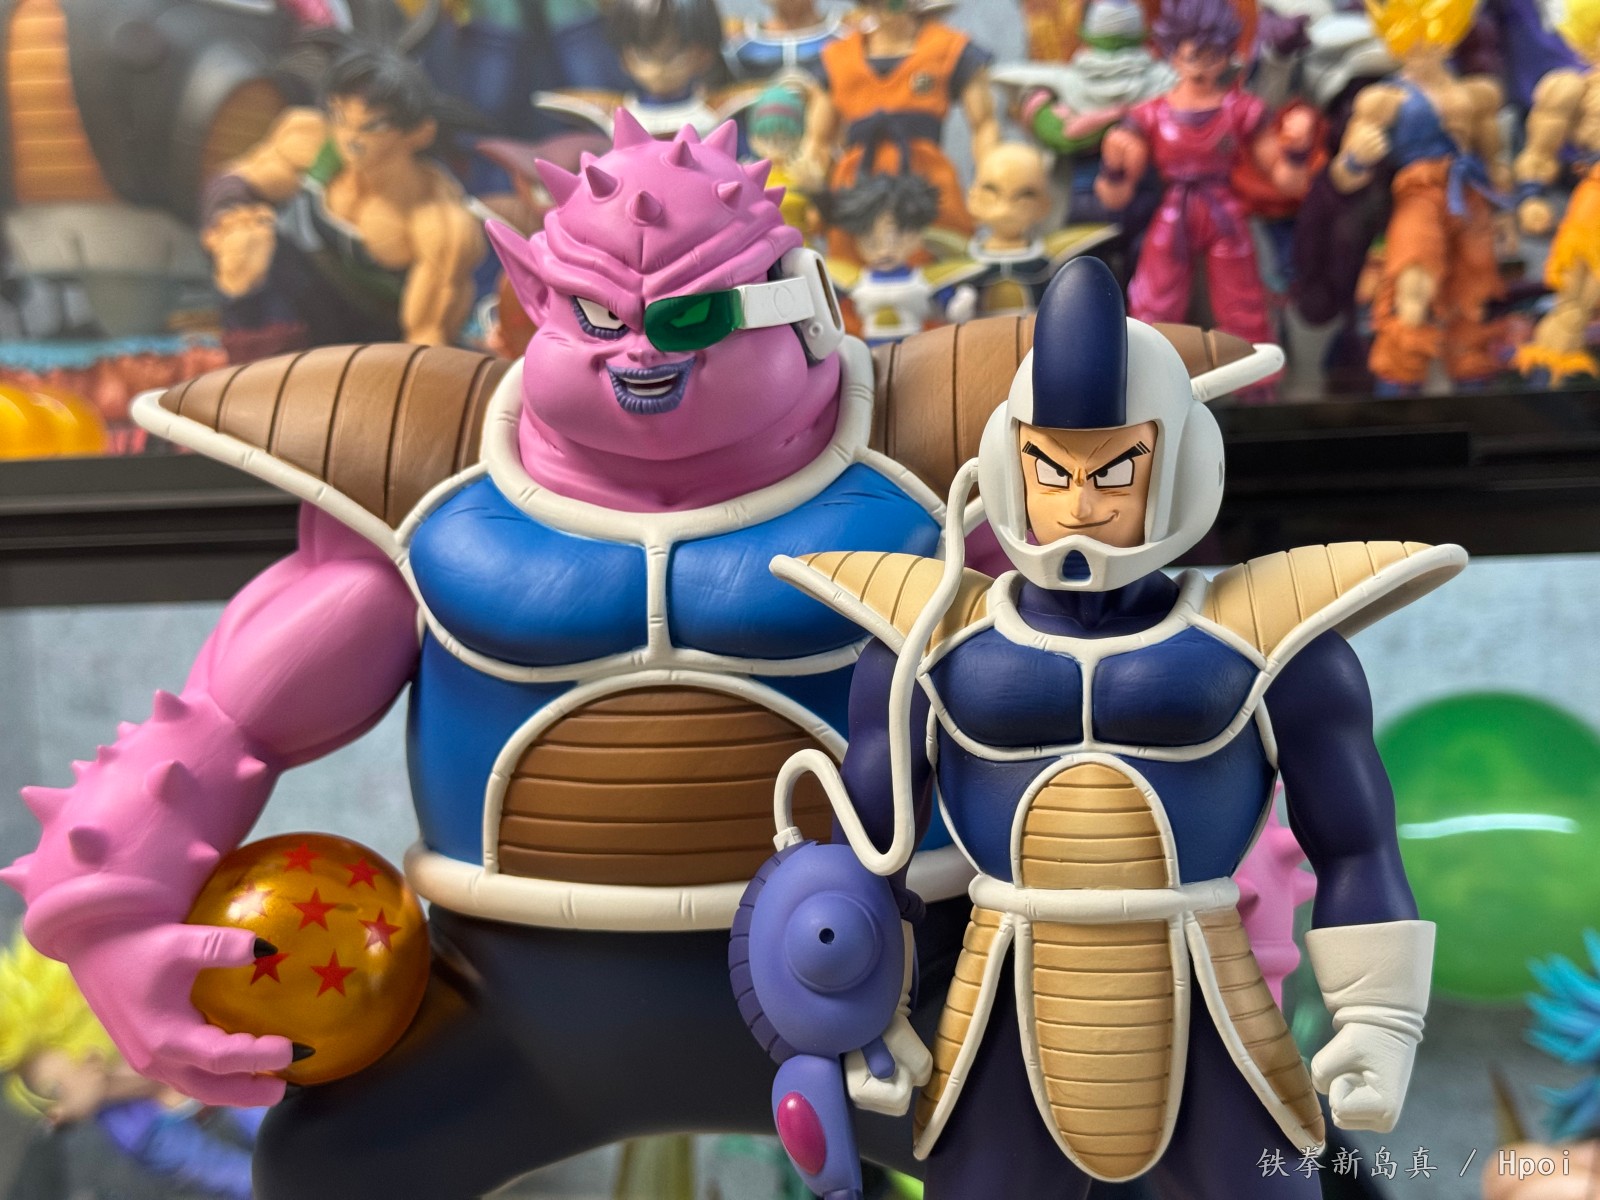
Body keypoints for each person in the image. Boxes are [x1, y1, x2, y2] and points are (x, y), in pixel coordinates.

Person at [2, 111, 978, 1199]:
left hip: (896, 998)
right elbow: (235, 715)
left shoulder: (943, 460)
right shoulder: (425, 486)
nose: (640, 352)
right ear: (537, 302)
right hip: (515, 1015)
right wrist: (109, 913)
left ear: (802, 302)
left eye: (692, 315)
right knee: (330, 1169)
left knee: (1093, 1148)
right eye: (598, 314)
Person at [745, 257, 1459, 1198]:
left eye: (1115, 470)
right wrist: (852, 1013)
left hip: (1209, 993)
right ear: (1009, 462)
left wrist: (1379, 1016)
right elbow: (868, 859)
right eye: (1052, 468)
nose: (1081, 504)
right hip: (1004, 992)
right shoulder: (924, 637)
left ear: (1180, 462)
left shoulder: (1275, 639)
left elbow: (1356, 842)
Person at [201, 44, 484, 352]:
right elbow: (234, 182)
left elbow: (427, 338)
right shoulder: (314, 142)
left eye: (373, 126)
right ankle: (257, 372)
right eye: (340, 117)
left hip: (378, 343)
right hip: (300, 319)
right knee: (244, 245)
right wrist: (231, 222)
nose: (351, 137)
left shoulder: (438, 218)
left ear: (418, 133)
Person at [1329, 0, 1510, 392]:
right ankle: (1400, 381)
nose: (1424, 49)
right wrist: (1357, 159)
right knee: (1413, 287)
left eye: (1435, 39)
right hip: (1418, 194)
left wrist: (1509, 214)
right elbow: (1342, 176)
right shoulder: (1384, 100)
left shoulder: (1475, 94)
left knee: (1473, 292)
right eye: (1411, 41)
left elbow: (1495, 162)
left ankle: (1472, 376)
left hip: (1468, 194)